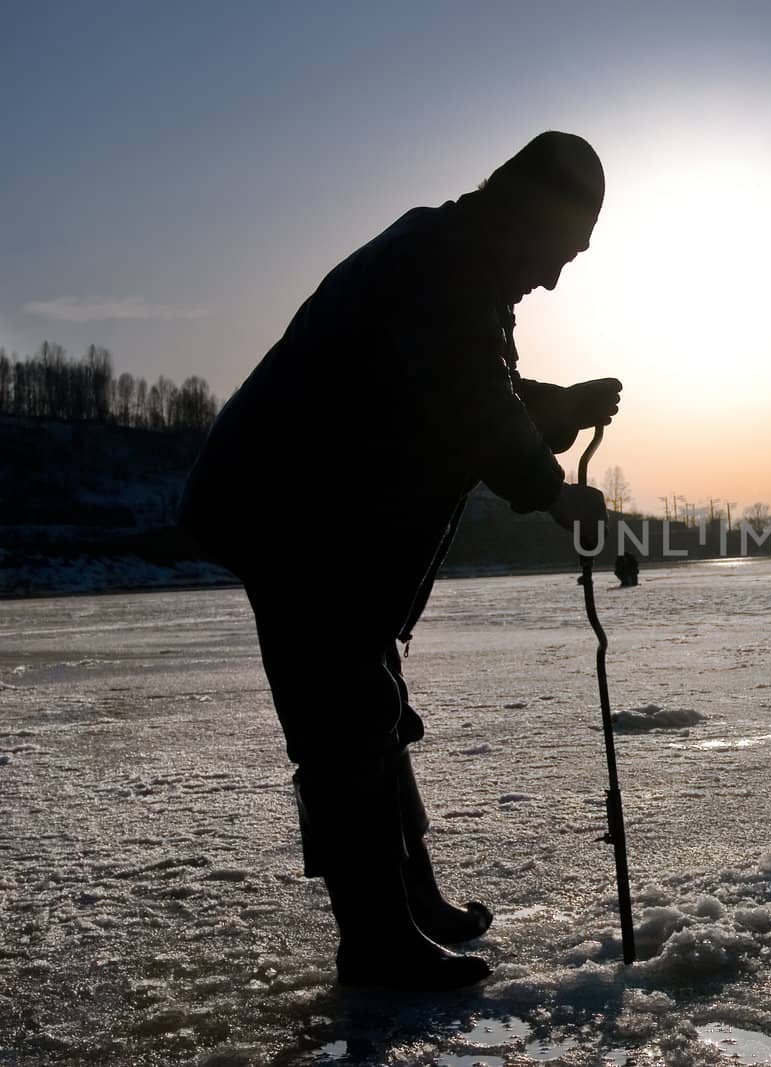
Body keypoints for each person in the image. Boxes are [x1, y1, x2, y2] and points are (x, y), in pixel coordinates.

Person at [178, 131, 618, 992]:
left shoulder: (466, 267)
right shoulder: (443, 261)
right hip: (285, 508)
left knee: (372, 702)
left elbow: (477, 383)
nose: (558, 276)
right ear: (529, 211)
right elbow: (469, 400)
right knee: (344, 718)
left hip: (320, 516)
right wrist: (550, 488)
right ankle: (376, 938)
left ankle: (410, 899)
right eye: (561, 250)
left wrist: (554, 405)